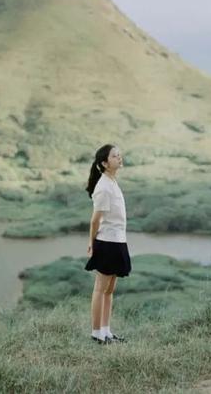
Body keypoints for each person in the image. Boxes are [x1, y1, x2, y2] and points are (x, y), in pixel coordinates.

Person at [84, 144, 131, 344]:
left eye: (120, 154)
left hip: (118, 241)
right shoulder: (103, 186)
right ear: (104, 163)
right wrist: (91, 243)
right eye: (114, 156)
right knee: (100, 288)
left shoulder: (112, 181)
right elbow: (95, 220)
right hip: (106, 242)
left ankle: (106, 332)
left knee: (110, 289)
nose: (119, 158)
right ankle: (96, 334)